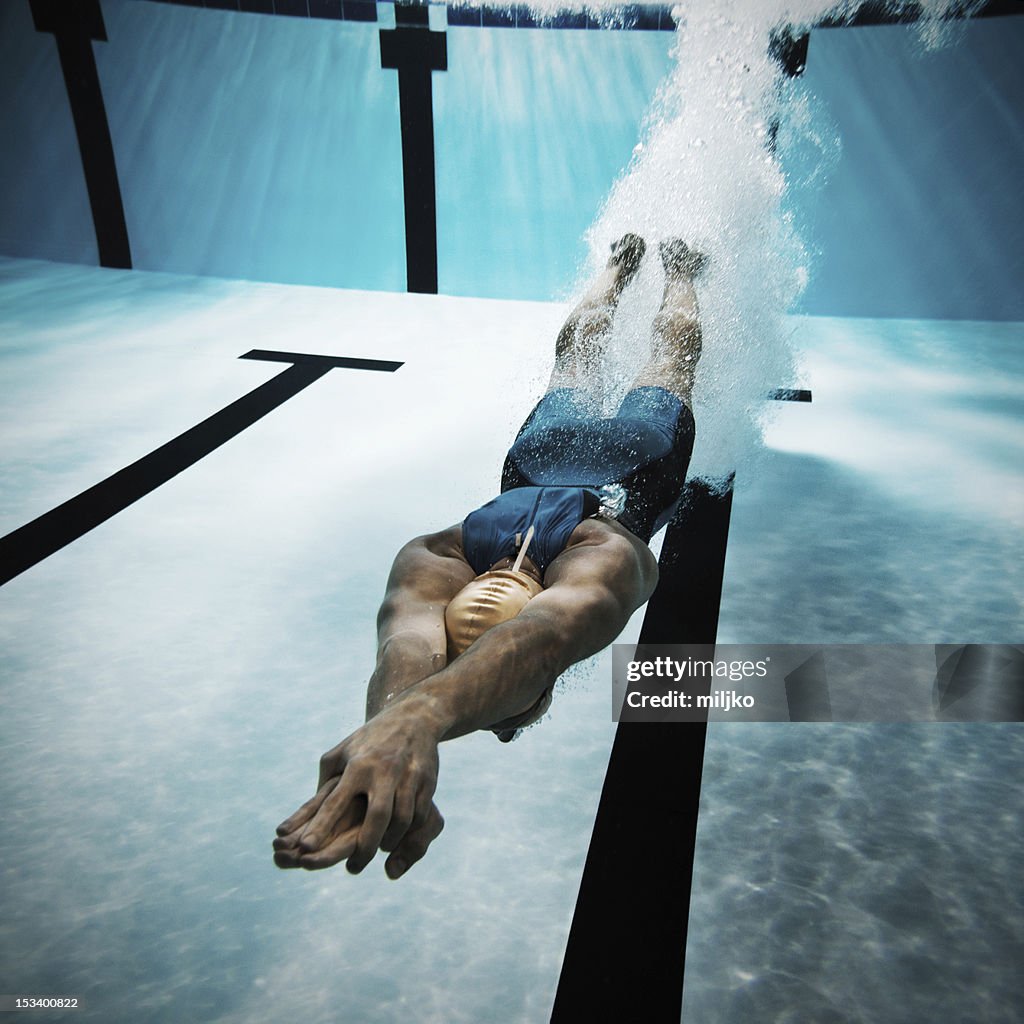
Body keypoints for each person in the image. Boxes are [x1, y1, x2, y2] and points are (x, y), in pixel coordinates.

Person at [273, 233, 705, 879]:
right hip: (539, 453)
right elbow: (419, 646)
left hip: (644, 458)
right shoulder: (441, 555)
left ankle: (679, 273)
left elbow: (542, 638)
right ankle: (621, 273)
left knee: (670, 357)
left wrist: (406, 723)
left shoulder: (604, 558)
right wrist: (400, 723)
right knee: (577, 357)